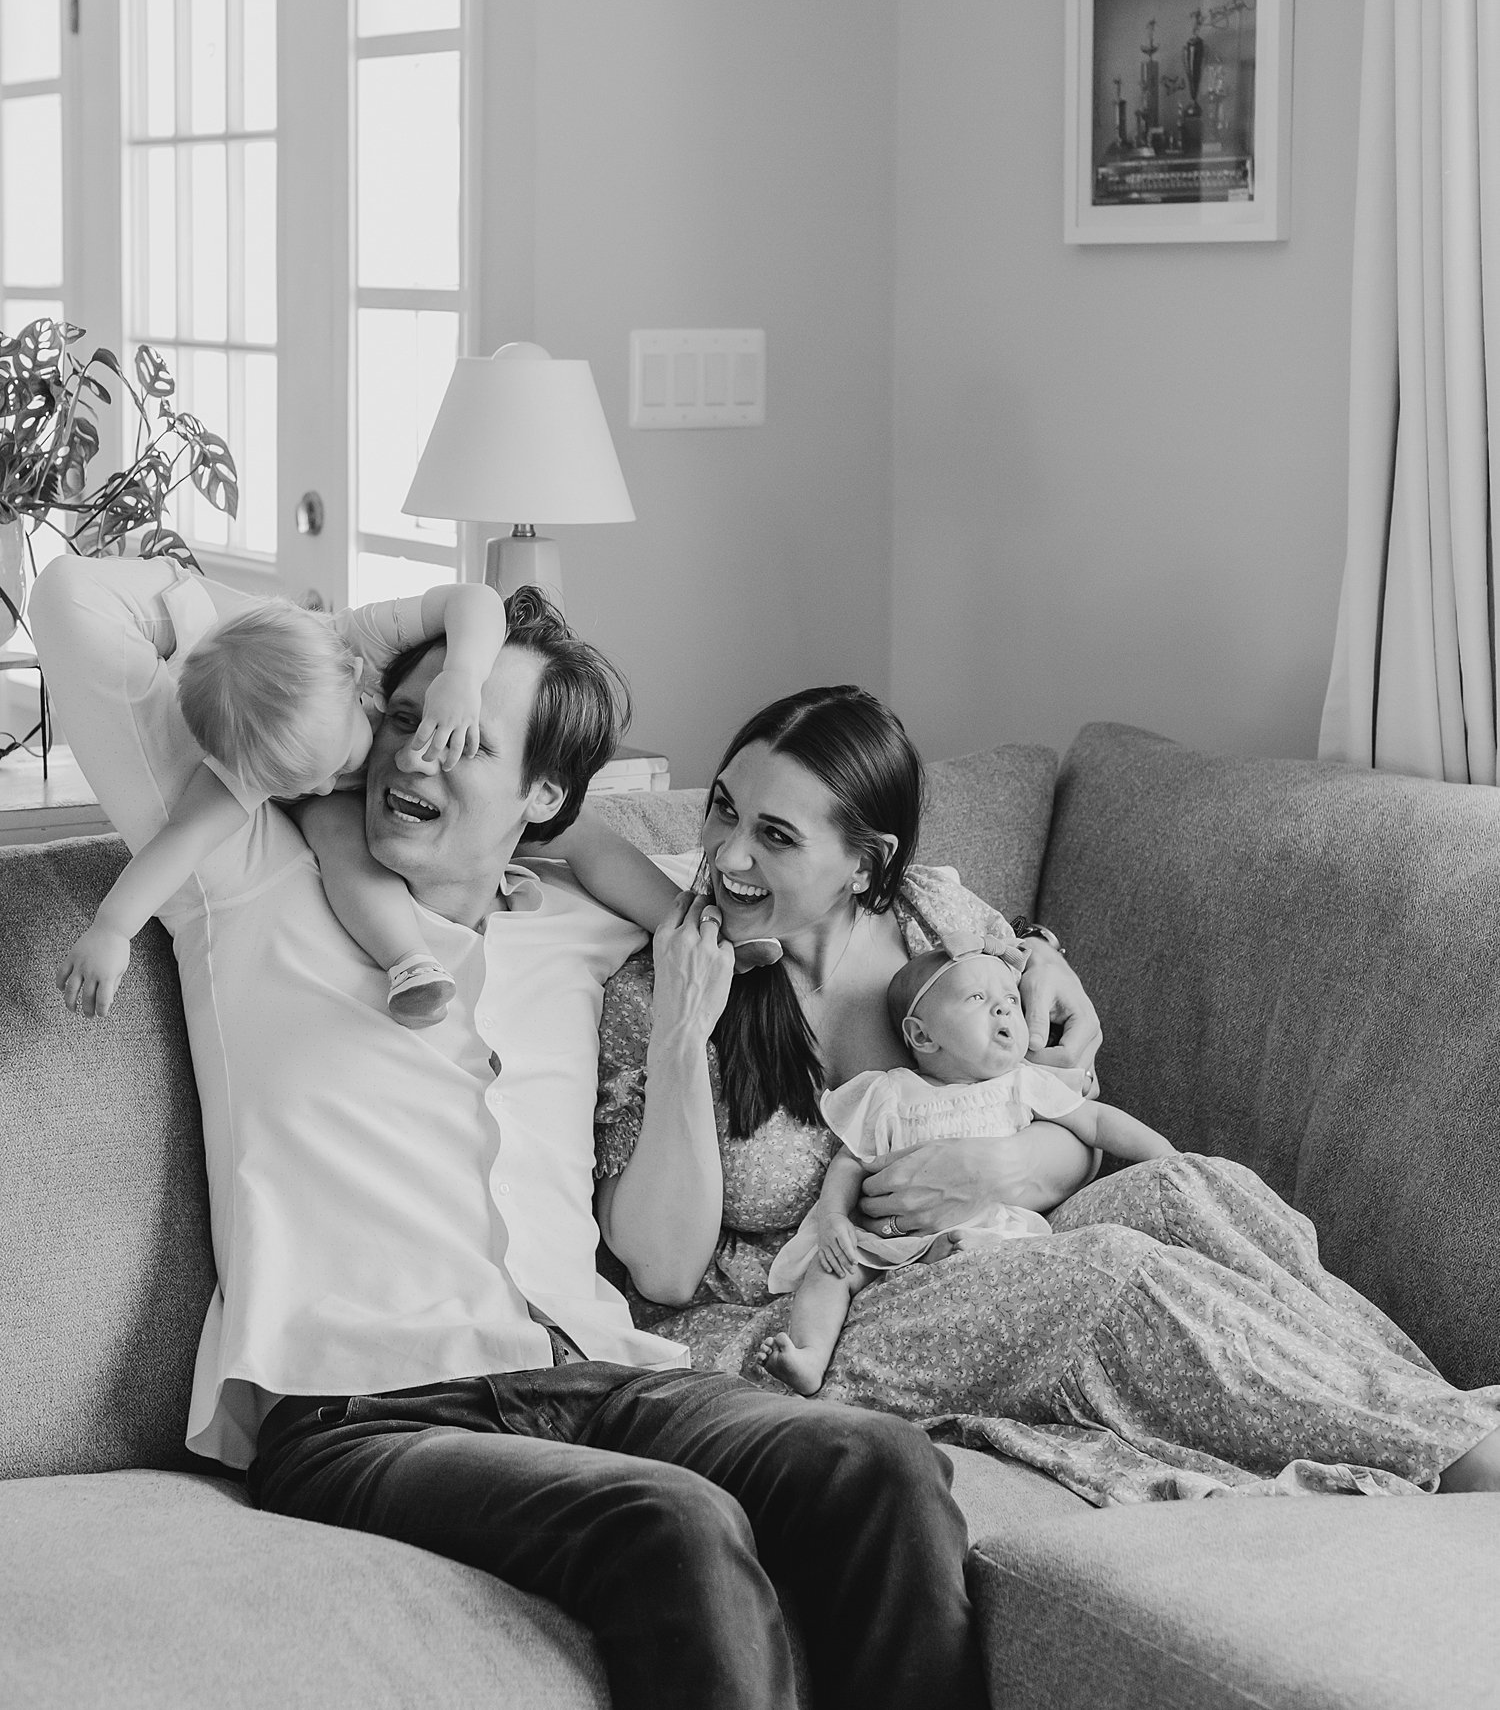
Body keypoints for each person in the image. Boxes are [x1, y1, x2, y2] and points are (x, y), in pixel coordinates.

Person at [32, 556, 1003, 1710]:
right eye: (404, 718)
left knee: (876, 1461)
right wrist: (381, 658)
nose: (417, 753)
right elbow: (76, 604)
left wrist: (1029, 984)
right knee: (675, 1523)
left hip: (591, 1375)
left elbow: (800, 888)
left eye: (470, 741)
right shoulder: (244, 873)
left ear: (547, 799)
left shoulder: (589, 918)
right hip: (363, 1410)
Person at [595, 683, 1500, 1503]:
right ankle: (1449, 1460)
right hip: (797, 1322)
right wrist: (683, 1025)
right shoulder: (665, 981)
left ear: (867, 866)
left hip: (980, 1242)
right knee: (1104, 1276)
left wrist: (1007, 1164)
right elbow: (664, 1274)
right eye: (724, 810)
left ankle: (1437, 1411)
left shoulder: (939, 926)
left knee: (1191, 1189)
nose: (726, 853)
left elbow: (1069, 1115)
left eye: (776, 835)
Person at [57, 581, 507, 1025]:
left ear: (353, 678)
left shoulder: (361, 640)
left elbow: (475, 599)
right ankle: (410, 961)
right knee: (334, 827)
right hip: (351, 833)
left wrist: (462, 675)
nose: (331, 786)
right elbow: (182, 839)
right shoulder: (254, 754)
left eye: (336, 766)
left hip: (423, 779)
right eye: (302, 785)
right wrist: (112, 929)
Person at [759, 946, 1173, 1395]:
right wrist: (834, 1219)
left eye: (1011, 1000)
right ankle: (808, 1355)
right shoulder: (892, 1092)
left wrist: (1165, 1156)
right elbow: (851, 1161)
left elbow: (1095, 1121)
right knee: (831, 1270)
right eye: (977, 998)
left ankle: (965, 1266)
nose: (1003, 1007)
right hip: (892, 1243)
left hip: (992, 1233)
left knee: (1013, 1253)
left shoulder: (1020, 1083)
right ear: (922, 1036)